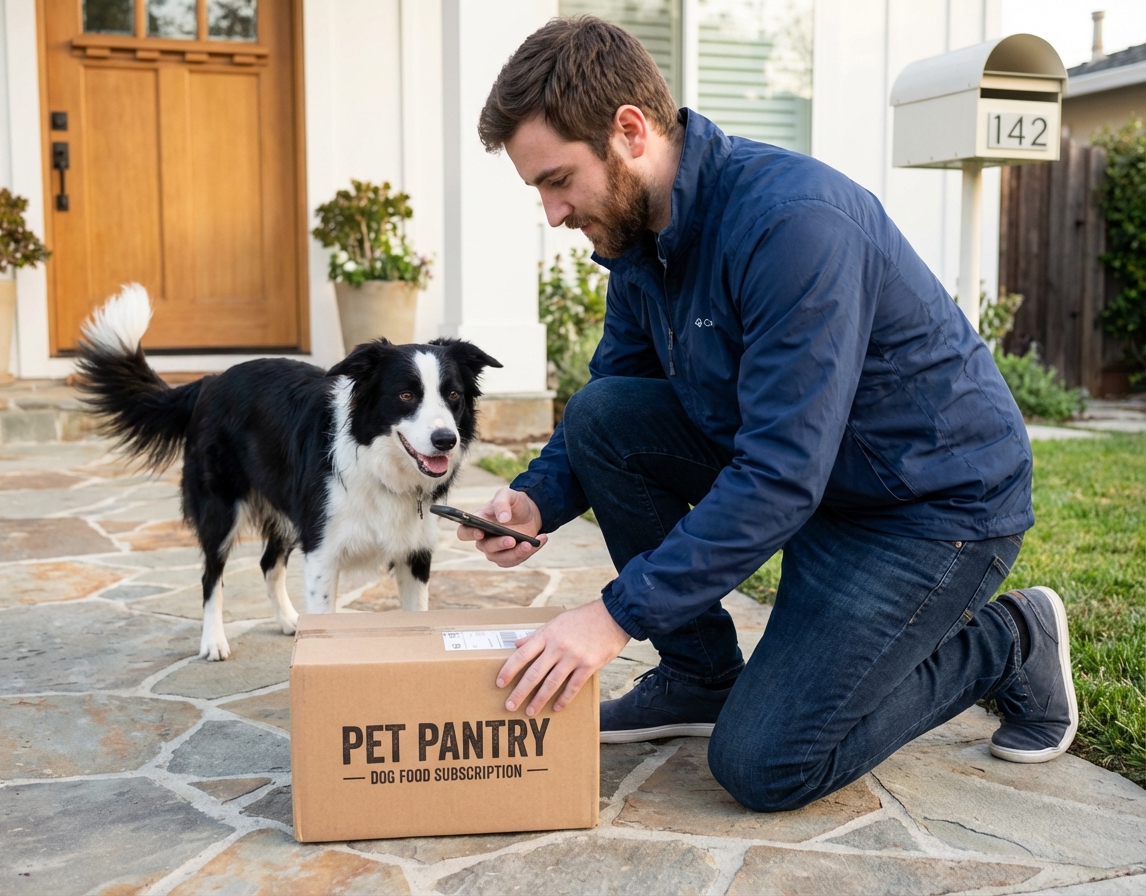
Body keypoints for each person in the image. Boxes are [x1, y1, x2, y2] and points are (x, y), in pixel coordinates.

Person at [457, 16, 1078, 812]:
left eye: (556, 179)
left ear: (629, 130)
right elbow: (613, 398)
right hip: (825, 483)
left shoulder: (793, 226)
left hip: (929, 507)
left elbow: (780, 476)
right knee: (606, 415)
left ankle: (1011, 640)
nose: (551, 212)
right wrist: (537, 497)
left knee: (765, 763)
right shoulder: (639, 240)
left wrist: (613, 616)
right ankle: (698, 676)